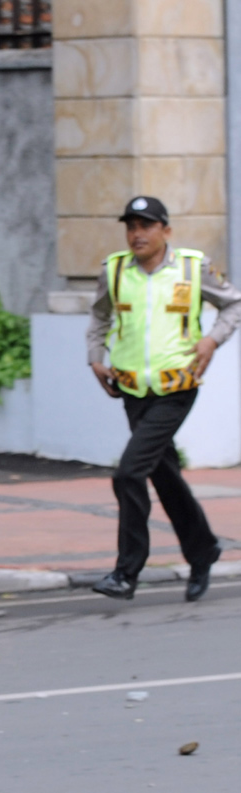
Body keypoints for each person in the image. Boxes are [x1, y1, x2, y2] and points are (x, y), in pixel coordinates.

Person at [87, 196, 241, 602]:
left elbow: (233, 304)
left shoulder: (193, 267)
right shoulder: (115, 270)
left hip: (177, 387)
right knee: (163, 474)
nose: (137, 234)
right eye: (131, 227)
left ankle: (126, 571)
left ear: (165, 231)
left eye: (146, 226)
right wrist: (94, 358)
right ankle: (203, 549)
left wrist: (211, 340)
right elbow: (100, 315)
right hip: (132, 389)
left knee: (128, 473)